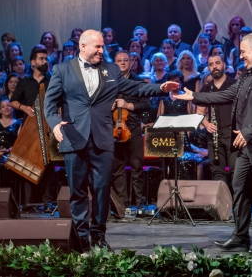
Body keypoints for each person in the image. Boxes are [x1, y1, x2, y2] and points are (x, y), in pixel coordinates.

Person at [45, 30, 179, 252]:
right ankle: (80, 237)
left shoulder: (112, 70)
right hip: (74, 137)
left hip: (103, 138)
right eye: (97, 47)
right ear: (83, 46)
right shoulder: (62, 70)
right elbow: (49, 104)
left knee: (102, 189)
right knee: (77, 191)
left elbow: (136, 88)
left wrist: (159, 88)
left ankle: (98, 236)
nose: (101, 50)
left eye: (102, 47)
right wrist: (55, 123)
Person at [174, 33, 252, 253]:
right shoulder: (246, 75)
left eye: (244, 51)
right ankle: (240, 236)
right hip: (245, 144)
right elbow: (226, 94)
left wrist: (249, 132)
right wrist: (195, 97)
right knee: (240, 188)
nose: (241, 55)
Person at [10, 45, 52, 207]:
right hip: (28, 128)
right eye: (41, 59)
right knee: (27, 163)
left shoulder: (52, 80)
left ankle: (47, 201)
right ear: (33, 62)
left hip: (47, 127)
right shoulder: (24, 82)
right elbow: (13, 101)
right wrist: (23, 108)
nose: (44, 61)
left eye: (46, 58)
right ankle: (28, 202)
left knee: (47, 165)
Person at [110, 51, 153, 209]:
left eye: (125, 60)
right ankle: (122, 204)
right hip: (114, 130)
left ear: (131, 62)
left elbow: (147, 105)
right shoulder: (109, 83)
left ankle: (140, 204)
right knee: (117, 169)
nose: (122, 63)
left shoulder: (138, 82)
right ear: (114, 63)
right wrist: (110, 106)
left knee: (137, 167)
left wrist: (128, 106)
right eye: (119, 60)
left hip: (133, 129)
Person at [157, 70, 208, 180]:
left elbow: (191, 117)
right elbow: (159, 119)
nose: (175, 83)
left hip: (184, 136)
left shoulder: (186, 99)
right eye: (172, 81)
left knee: (185, 161)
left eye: (177, 81)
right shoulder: (164, 100)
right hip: (168, 137)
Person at [196, 54, 237, 190]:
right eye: (211, 64)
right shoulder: (206, 89)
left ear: (224, 65)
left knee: (235, 172)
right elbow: (200, 112)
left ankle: (237, 208)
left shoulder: (235, 85)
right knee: (218, 173)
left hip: (233, 135)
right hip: (214, 136)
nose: (215, 67)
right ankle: (222, 207)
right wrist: (207, 125)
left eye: (217, 63)